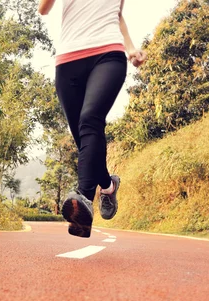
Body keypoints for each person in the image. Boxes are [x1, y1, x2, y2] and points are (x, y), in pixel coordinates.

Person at [38, 0, 147, 238]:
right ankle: (108, 186)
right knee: (83, 138)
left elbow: (116, 13)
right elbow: (43, 9)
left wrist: (130, 48)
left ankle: (84, 199)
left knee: (90, 120)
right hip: (68, 59)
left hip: (108, 54)